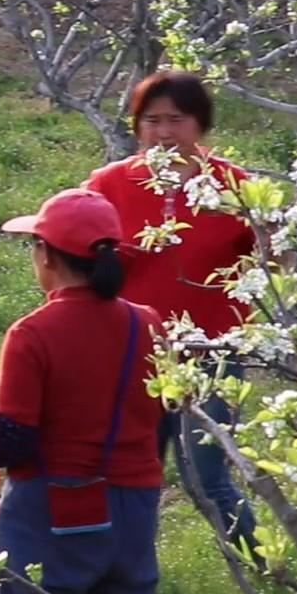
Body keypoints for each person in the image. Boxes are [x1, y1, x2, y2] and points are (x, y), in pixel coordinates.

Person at [0, 188, 165, 594]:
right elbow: (163, 418)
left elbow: (8, 443)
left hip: (48, 514)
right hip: (133, 511)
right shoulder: (149, 324)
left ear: (47, 257)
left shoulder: (31, 333)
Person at [85, 70, 258, 549]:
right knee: (129, 473)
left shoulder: (231, 186)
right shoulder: (110, 184)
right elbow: (77, 258)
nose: (163, 132)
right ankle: (126, 572)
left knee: (206, 476)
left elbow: (273, 260)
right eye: (151, 120)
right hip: (132, 352)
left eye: (175, 120)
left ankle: (278, 572)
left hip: (210, 352)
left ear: (200, 125)